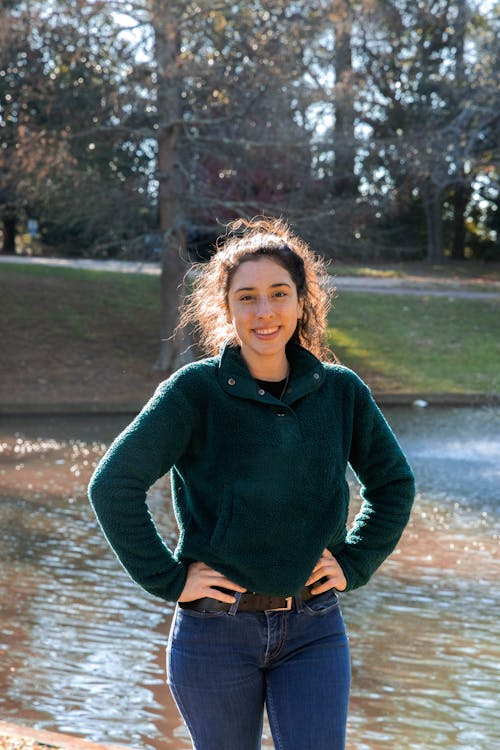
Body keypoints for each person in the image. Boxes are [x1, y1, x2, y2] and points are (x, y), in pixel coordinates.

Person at [88, 216, 415, 750]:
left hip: (314, 628)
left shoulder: (341, 393)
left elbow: (394, 484)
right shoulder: (195, 392)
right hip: (215, 633)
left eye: (279, 293)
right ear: (226, 308)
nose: (265, 312)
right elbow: (113, 485)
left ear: (303, 301)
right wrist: (168, 580)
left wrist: (355, 561)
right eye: (248, 297)